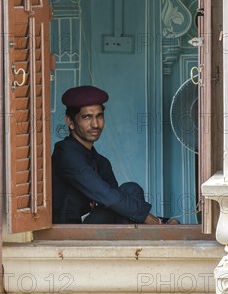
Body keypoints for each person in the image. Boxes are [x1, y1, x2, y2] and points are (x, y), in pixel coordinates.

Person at [52, 85, 178, 225]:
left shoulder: (101, 162)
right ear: (70, 122)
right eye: (87, 117)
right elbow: (108, 197)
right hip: (68, 232)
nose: (95, 124)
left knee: (130, 191)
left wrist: (162, 220)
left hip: (94, 228)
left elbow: (121, 205)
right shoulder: (66, 154)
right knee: (128, 191)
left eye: (99, 116)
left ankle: (134, 242)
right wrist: (156, 222)